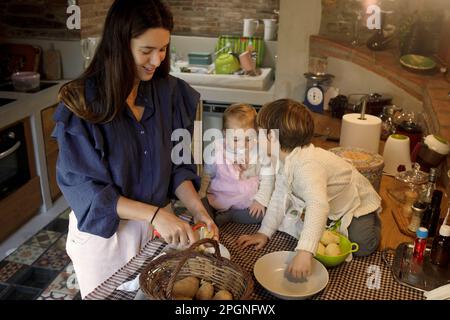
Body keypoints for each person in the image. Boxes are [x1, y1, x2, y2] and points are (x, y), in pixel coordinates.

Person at [53, 0, 218, 298]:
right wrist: (156, 214)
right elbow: (89, 194)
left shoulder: (169, 93)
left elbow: (178, 166)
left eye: (163, 48)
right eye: (146, 51)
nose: (156, 60)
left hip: (157, 231)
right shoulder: (82, 105)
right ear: (119, 44)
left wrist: (197, 209)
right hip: (106, 240)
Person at [238, 99, 381, 280]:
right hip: (330, 203)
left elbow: (318, 205)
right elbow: (279, 195)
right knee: (318, 229)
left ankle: (374, 217)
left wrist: (305, 252)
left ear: (271, 138)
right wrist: (264, 232)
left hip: (355, 203)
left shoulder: (307, 166)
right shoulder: (284, 160)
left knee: (362, 245)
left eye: (258, 132)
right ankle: (332, 224)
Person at [199, 104, 275, 226]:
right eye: (235, 140)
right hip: (220, 197)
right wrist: (202, 192)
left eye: (248, 139)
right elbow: (207, 173)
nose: (242, 145)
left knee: (264, 214)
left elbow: (268, 178)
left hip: (247, 201)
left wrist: (260, 201)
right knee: (200, 205)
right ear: (225, 134)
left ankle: (231, 216)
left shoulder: (259, 152)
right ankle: (213, 217)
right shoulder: (218, 152)